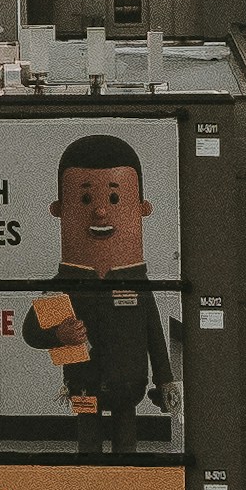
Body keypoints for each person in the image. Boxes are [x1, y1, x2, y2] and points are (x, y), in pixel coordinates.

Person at [25, 132, 171, 459]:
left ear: (141, 209)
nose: (102, 212)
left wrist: (166, 381)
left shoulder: (137, 284)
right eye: (86, 199)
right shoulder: (62, 284)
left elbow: (154, 334)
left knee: (126, 445)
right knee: (87, 441)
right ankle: (90, 488)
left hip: (128, 387)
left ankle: (122, 488)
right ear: (60, 210)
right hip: (83, 384)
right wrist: (58, 334)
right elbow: (31, 331)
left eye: (115, 199)